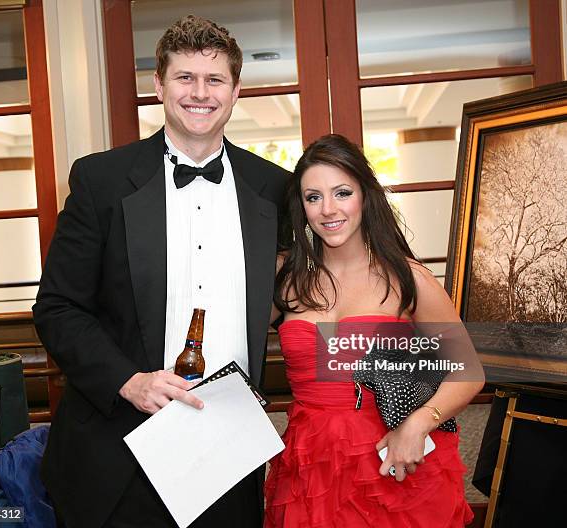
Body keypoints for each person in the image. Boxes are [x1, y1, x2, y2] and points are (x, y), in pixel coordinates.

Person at [33, 15, 287, 528]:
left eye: (214, 79)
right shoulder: (100, 180)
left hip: (229, 451)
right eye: (184, 77)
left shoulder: (274, 188)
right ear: (159, 85)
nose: (200, 92)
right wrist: (129, 382)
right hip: (119, 450)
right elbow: (58, 308)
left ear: (236, 90)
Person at [264, 134, 485, 527]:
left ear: (366, 196)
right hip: (309, 464)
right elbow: (225, 342)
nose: (328, 209)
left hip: (391, 457)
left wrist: (418, 424)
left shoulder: (407, 277)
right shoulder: (286, 279)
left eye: (342, 192)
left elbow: (468, 373)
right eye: (313, 197)